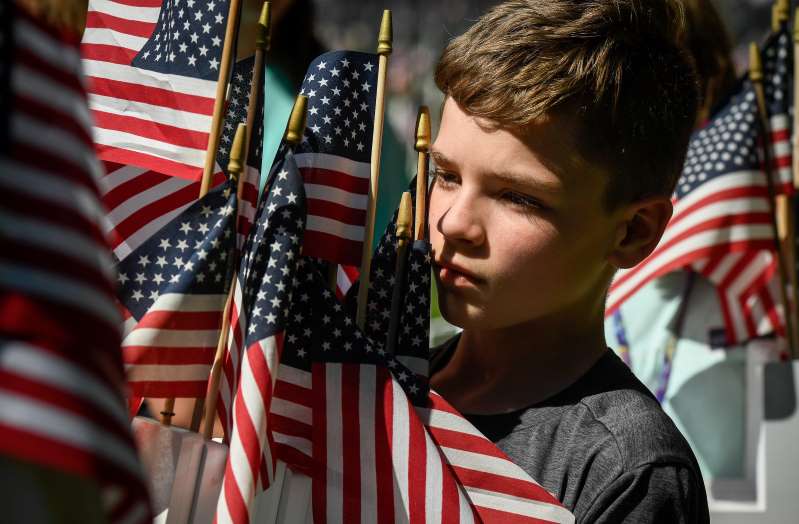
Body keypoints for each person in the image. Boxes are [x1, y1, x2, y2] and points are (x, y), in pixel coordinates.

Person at [426, 1, 709, 522]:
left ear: (633, 230)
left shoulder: (627, 472)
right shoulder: (382, 383)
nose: (453, 223)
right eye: (446, 175)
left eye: (520, 198)